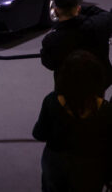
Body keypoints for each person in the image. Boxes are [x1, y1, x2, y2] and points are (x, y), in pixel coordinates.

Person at [33, 50, 112, 192]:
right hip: (90, 166)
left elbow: (39, 134)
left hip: (56, 162)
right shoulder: (106, 110)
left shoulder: (52, 101)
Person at [40, 0, 112, 93]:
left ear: (56, 12)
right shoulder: (99, 24)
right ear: (78, 8)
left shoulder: (51, 40)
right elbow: (105, 14)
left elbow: (49, 64)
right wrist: (80, 9)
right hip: (99, 81)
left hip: (69, 87)